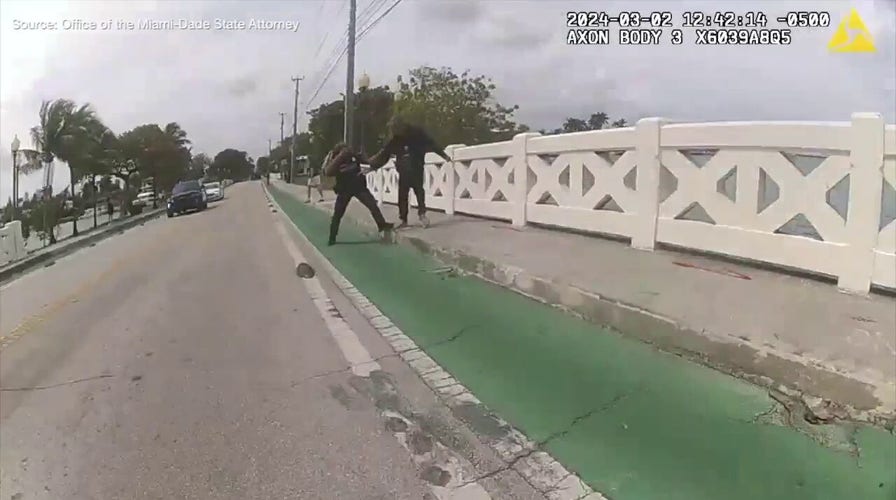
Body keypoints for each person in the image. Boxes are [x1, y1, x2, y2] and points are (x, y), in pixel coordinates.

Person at [366, 116, 450, 229]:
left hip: (417, 167)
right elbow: (385, 154)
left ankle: (422, 214)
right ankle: (404, 219)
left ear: (401, 127)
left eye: (395, 129)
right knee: (402, 196)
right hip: (403, 170)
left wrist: (443, 155)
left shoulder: (417, 133)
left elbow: (431, 143)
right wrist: (372, 166)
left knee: (419, 191)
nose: (393, 131)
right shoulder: (395, 139)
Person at [324, 143, 393, 246]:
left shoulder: (354, 157)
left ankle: (382, 225)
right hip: (344, 189)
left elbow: (368, 162)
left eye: (348, 149)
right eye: (345, 149)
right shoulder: (336, 160)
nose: (348, 150)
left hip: (359, 187)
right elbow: (328, 172)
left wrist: (378, 158)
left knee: (372, 205)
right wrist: (340, 156)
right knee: (338, 214)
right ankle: (332, 237)